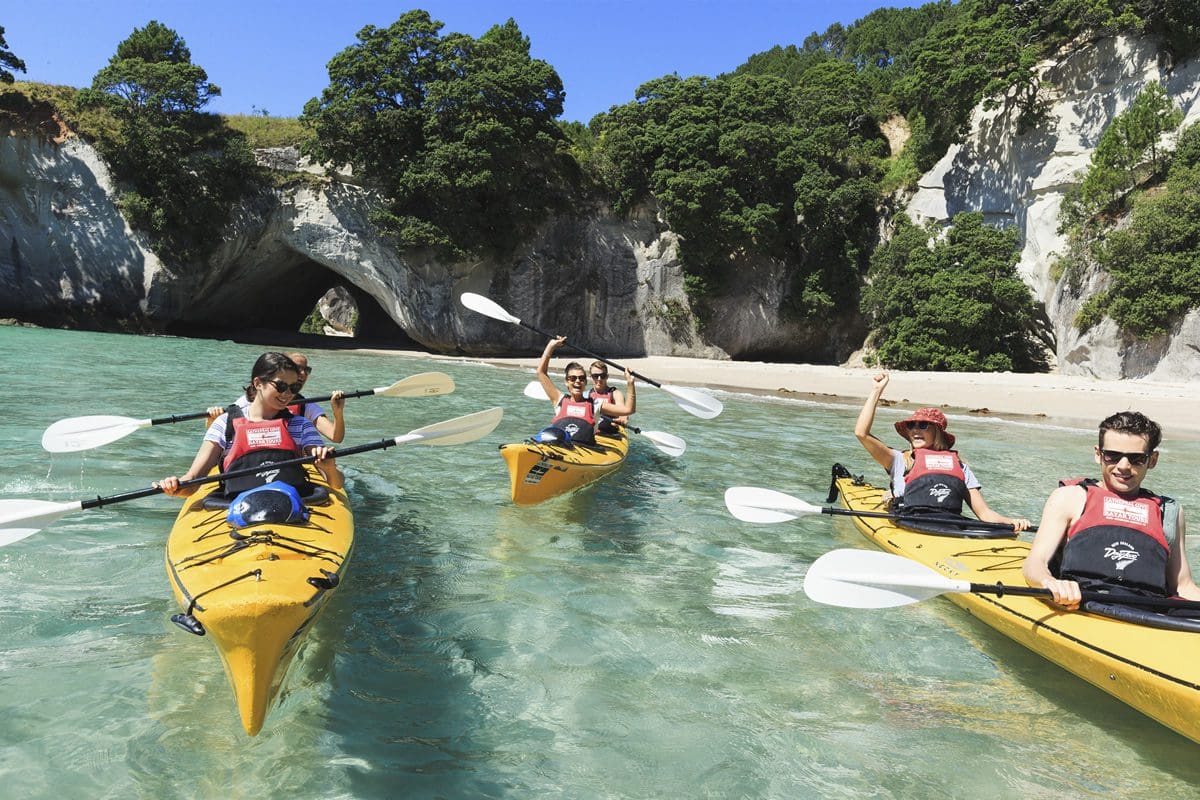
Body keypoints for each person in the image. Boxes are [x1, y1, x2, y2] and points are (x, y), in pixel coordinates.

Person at [1023, 411, 1200, 608]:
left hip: (1148, 612)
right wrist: (1049, 582)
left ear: (1152, 460)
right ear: (1098, 455)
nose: (1123, 466)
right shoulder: (1070, 497)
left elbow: (1183, 585)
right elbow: (1035, 562)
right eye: (1112, 456)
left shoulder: (1169, 511)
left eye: (1136, 458)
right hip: (1080, 604)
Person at [855, 372, 1030, 530]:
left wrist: (1011, 522)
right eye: (911, 425)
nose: (915, 430)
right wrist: (876, 390)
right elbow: (861, 433)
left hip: (949, 527)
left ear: (937, 432)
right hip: (907, 525)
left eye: (923, 425)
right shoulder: (899, 460)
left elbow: (984, 514)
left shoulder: (960, 467)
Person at [159, 352, 343, 498]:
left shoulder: (301, 426)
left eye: (294, 388)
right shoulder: (224, 424)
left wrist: (329, 469)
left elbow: (335, 483)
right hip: (238, 507)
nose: (288, 393)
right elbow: (192, 481)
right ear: (258, 383)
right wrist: (174, 486)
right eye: (281, 386)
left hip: (290, 504)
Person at [207, 351, 346, 442]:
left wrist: (338, 413)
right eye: (297, 368)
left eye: (307, 370)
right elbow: (223, 434)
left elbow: (336, 437)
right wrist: (212, 421)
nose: (303, 374)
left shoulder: (306, 406)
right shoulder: (246, 402)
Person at [535, 336, 636, 445]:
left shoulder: (596, 404)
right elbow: (541, 372)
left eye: (581, 378)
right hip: (561, 446)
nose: (577, 381)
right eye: (572, 378)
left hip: (585, 448)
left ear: (586, 382)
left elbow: (628, 410)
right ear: (566, 382)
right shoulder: (559, 399)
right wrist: (551, 346)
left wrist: (630, 383)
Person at [585, 360, 629, 432]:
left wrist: (623, 418)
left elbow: (623, 411)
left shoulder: (616, 394)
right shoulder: (586, 395)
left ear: (607, 377)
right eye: (595, 376)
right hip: (591, 433)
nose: (599, 379)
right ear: (590, 377)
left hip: (611, 433)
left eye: (602, 376)